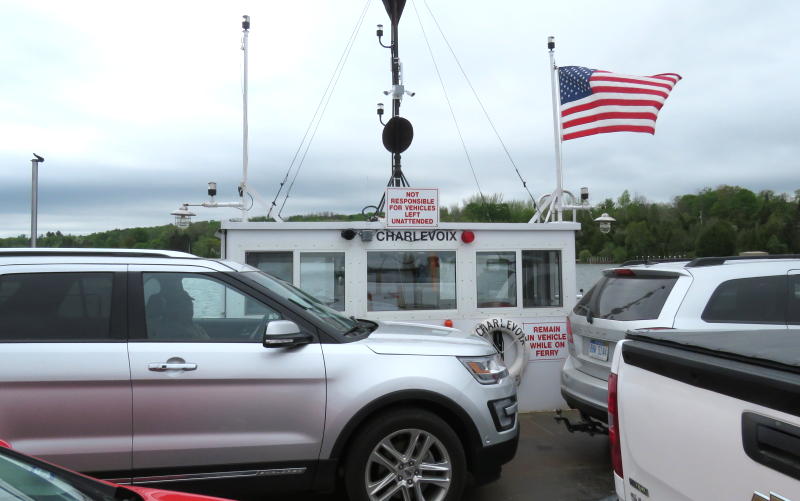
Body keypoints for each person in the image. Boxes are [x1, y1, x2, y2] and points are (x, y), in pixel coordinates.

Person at [145, 275, 210, 340]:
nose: (190, 306)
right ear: (175, 308)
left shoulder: (191, 325)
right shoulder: (178, 332)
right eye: (185, 304)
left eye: (190, 302)